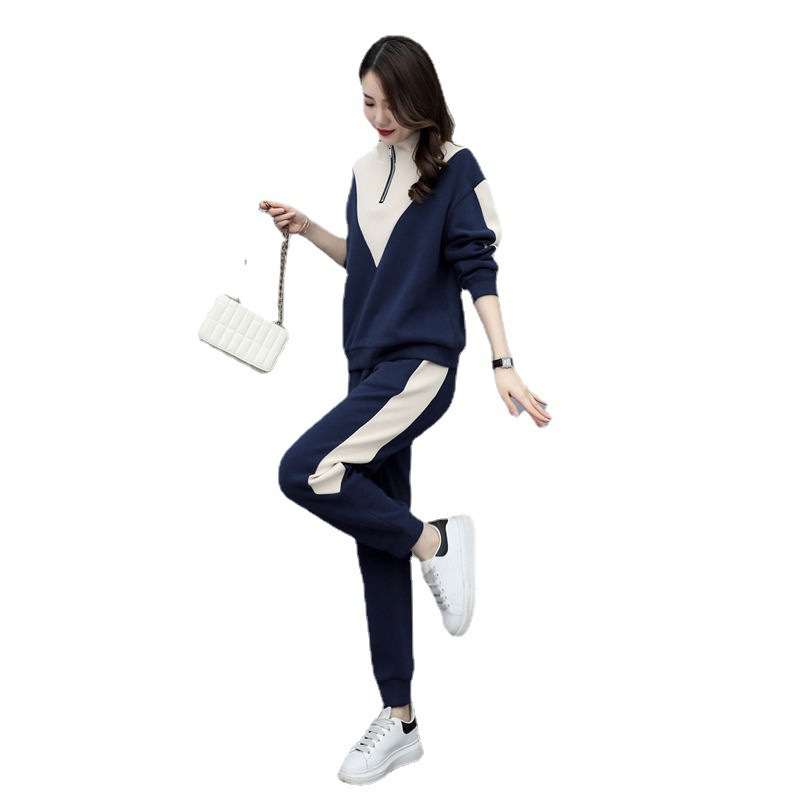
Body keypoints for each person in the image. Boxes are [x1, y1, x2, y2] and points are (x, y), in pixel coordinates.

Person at [260, 35, 551, 785]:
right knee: (373, 535)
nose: (379, 118)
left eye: (391, 104)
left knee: (304, 470)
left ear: (421, 97)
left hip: (419, 365)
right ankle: (400, 718)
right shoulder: (363, 170)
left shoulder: (456, 167)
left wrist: (503, 362)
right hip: (365, 366)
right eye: (367, 103)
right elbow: (367, 264)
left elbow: (477, 267)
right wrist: (309, 230)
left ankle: (437, 541)